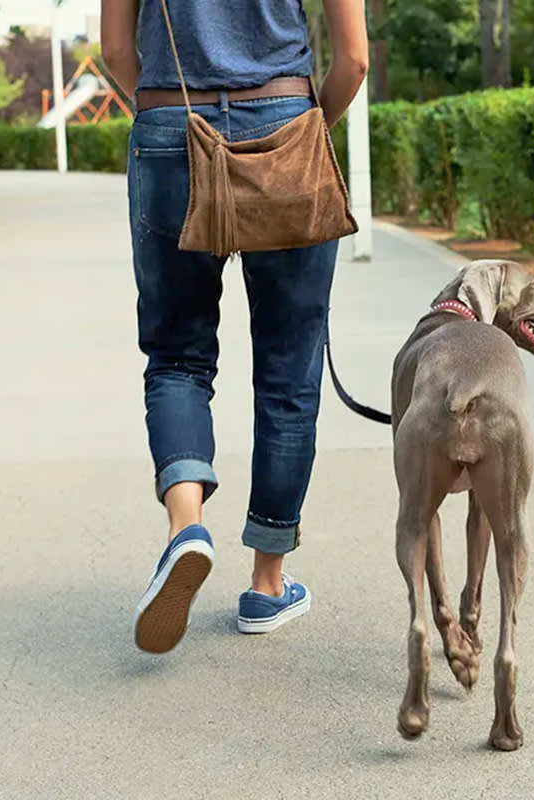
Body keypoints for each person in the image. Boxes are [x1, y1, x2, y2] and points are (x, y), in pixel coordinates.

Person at [101, 0, 369, 653]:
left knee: (176, 356)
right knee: (288, 368)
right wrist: (305, 134)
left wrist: (168, 119)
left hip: (170, 125)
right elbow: (354, 59)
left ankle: (185, 527)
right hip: (284, 120)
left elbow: (114, 52)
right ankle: (267, 584)